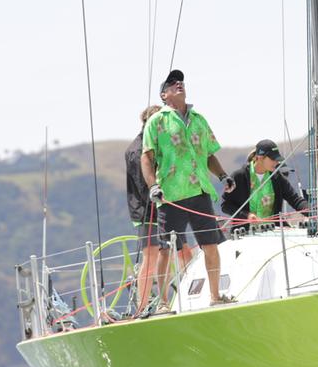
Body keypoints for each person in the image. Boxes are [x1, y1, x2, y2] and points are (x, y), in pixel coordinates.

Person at [142, 70, 235, 305]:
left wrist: (223, 176)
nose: (179, 84)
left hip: (200, 191)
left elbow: (209, 154)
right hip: (171, 194)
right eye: (172, 83)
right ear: (164, 95)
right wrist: (153, 186)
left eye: (180, 81)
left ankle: (215, 296)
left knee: (211, 245)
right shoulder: (157, 121)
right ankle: (163, 303)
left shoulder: (199, 119)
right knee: (166, 249)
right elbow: (147, 157)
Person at [127, 104, 173, 316]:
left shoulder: (150, 145)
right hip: (147, 210)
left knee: (178, 251)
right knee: (152, 255)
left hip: (161, 207)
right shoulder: (138, 149)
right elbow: (142, 182)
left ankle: (175, 298)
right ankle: (142, 306)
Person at [221, 139, 308, 230]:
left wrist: (314, 212)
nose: (276, 162)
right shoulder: (239, 176)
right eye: (272, 159)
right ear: (260, 158)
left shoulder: (277, 177)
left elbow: (295, 200)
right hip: (244, 235)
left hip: (273, 231)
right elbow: (225, 205)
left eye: (277, 159)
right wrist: (246, 215)